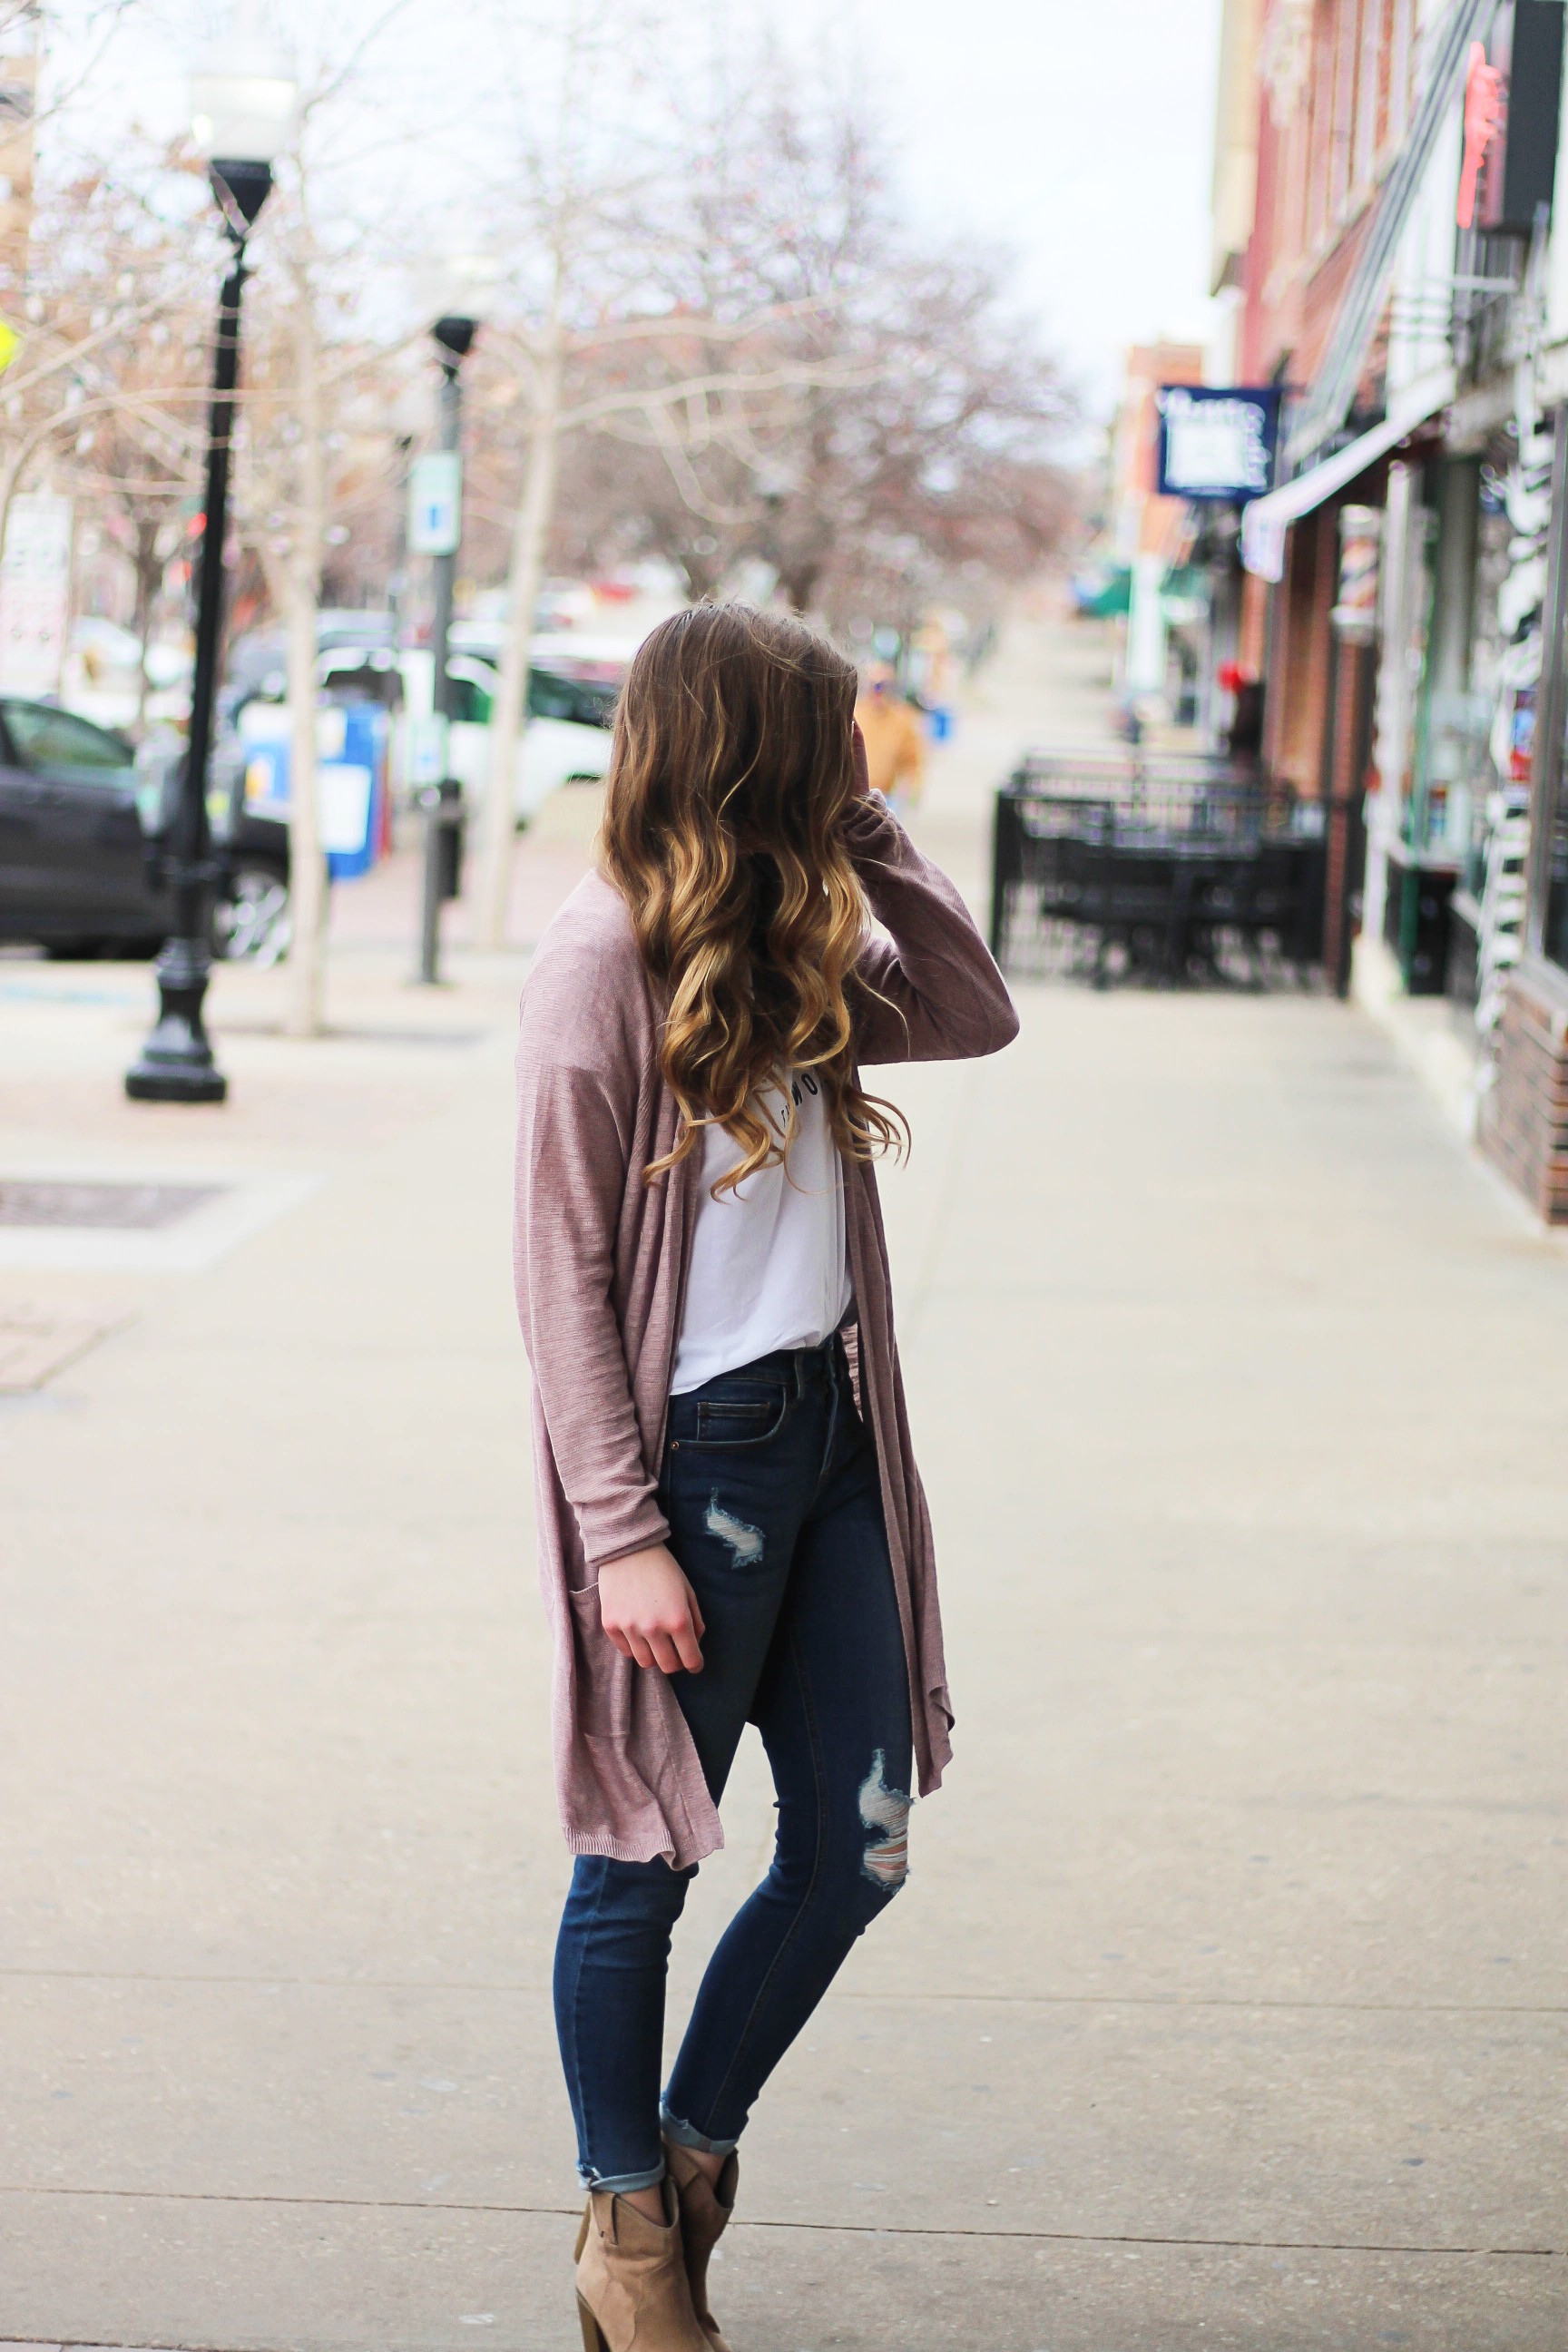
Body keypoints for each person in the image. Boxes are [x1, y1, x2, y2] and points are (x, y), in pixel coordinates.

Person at [513, 603, 1017, 2352]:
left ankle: (689, 2147)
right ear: (751, 748)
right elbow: (561, 1279)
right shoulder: (602, 960)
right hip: (698, 1463)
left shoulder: (792, 931)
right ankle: (625, 2226)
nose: (853, 760)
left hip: (827, 1437)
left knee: (856, 1841)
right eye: (831, 737)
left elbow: (970, 1008)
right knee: (639, 1862)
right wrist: (618, 1536)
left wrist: (865, 824)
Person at [853, 659, 926, 810]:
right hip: (853, 799)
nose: (878, 692)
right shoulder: (854, 714)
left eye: (883, 686)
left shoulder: (903, 719)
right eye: (874, 686)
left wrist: (908, 793)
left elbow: (912, 762)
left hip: (886, 800)